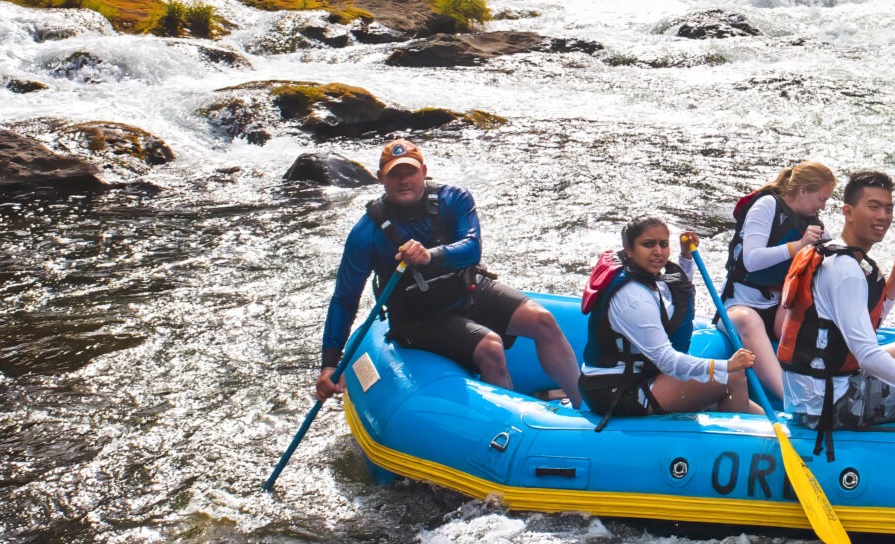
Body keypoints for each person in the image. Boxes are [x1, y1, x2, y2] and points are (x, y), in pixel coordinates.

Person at [313, 140, 583, 405]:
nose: (403, 180)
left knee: (543, 320)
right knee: (490, 347)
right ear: (381, 178)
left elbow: (471, 249)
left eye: (410, 172)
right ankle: (505, 428)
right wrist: (329, 364)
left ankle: (583, 406)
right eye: (395, 175)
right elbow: (345, 299)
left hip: (465, 290)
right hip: (418, 317)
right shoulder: (366, 234)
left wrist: (431, 255)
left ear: (424, 171)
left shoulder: (453, 199)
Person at [772, 170, 895, 450]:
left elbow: (859, 329)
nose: (883, 217)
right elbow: (866, 355)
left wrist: (893, 284)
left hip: (815, 385)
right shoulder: (846, 271)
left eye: (888, 208)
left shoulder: (829, 252)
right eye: (873, 207)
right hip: (830, 402)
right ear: (848, 212)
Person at [579, 216, 755, 419]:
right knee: (732, 378)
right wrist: (725, 366)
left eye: (663, 244)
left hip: (644, 376)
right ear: (628, 248)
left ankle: (764, 435)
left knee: (748, 407)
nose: (658, 251)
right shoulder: (633, 297)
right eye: (648, 244)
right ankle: (740, 444)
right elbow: (666, 361)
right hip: (618, 390)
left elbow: (677, 296)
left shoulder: (647, 277)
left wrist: (686, 257)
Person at [720, 160, 835, 401]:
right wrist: (798, 246)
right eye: (821, 199)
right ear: (802, 191)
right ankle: (789, 398)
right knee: (749, 321)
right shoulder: (766, 206)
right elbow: (751, 260)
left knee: (809, 309)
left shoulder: (812, 223)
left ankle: (829, 387)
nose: (823, 206)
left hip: (776, 306)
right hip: (739, 305)